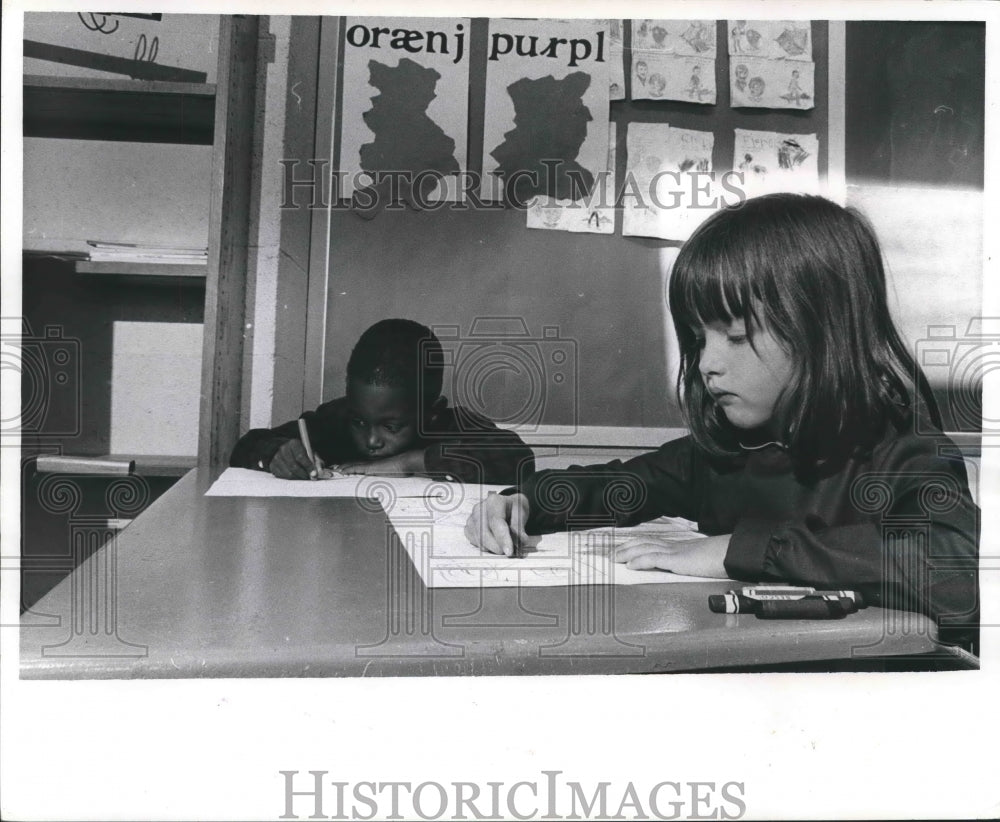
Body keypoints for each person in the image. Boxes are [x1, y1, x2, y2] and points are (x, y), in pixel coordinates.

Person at [465, 194, 978, 644]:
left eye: (733, 336)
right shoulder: (730, 450)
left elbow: (957, 569)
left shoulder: (903, 452)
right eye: (698, 338)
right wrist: (525, 501)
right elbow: (623, 483)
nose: (708, 362)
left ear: (823, 332)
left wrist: (738, 549)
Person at [230, 319, 535, 484]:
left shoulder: (451, 425)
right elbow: (248, 445)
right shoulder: (338, 419)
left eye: (391, 426)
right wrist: (277, 455)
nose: (371, 439)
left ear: (431, 414)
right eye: (359, 422)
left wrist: (410, 463)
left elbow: (517, 460)